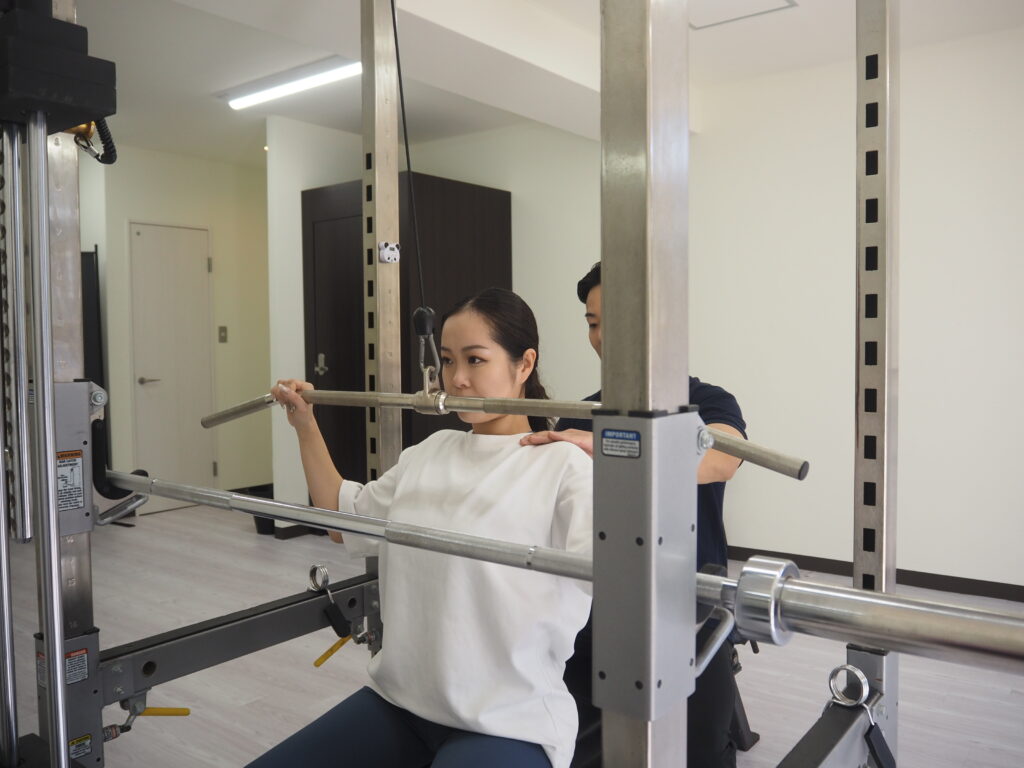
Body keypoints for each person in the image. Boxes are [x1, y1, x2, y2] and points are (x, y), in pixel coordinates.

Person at [249, 288, 593, 768]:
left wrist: (624, 465)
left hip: (507, 721)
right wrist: (304, 424)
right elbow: (342, 521)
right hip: (400, 703)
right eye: (448, 360)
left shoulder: (564, 465)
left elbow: (620, 576)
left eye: (475, 359)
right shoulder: (429, 453)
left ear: (524, 364)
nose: (458, 378)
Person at [521, 262, 747, 768]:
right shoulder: (581, 414)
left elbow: (722, 459)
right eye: (593, 323)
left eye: (616, 321)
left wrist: (606, 446)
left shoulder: (707, 402)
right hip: (598, 612)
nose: (601, 337)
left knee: (701, 752)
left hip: (688, 611)